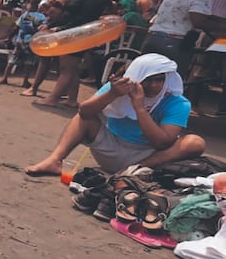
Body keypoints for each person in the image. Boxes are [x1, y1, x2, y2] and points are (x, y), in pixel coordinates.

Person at [25, 53, 206, 176]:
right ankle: (54, 160)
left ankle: (131, 172)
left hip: (147, 159)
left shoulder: (177, 102)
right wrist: (112, 94)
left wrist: (139, 107)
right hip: (111, 148)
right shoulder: (119, 88)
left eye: (160, 80)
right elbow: (84, 112)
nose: (154, 86)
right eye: (148, 80)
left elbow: (162, 142)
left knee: (194, 142)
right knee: (83, 118)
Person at [33, 0, 110, 108]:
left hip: (77, 35)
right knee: (72, 69)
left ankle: (53, 98)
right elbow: (67, 14)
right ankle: (72, 99)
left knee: (66, 69)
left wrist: (61, 29)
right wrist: (52, 25)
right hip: (70, 33)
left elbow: (83, 19)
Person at [141, 0, 226, 76]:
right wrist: (220, 27)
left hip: (153, 37)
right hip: (174, 43)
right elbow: (198, 21)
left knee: (145, 76)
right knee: (170, 81)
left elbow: (195, 13)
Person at [0, 0, 47, 87]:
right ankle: (25, 81)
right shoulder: (42, 17)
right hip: (31, 41)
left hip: (19, 40)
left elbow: (15, 27)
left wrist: (9, 38)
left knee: (13, 59)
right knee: (29, 61)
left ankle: (4, 77)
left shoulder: (25, 15)